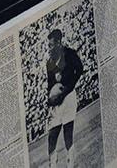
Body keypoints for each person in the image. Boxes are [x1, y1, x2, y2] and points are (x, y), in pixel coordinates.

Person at [44, 27, 83, 168]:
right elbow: (50, 85)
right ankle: (52, 165)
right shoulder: (49, 63)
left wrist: (67, 89)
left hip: (69, 98)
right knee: (52, 136)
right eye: (48, 45)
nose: (49, 48)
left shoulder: (70, 54)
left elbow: (80, 69)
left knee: (68, 133)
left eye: (51, 44)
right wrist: (51, 99)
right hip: (57, 103)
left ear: (59, 42)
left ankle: (70, 164)